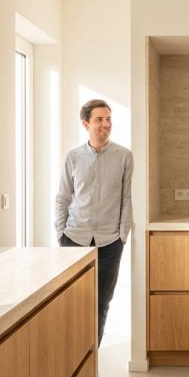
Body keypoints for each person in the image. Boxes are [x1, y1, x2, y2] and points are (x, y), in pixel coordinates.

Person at [55, 99, 133, 347]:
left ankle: (92, 359)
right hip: (74, 239)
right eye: (99, 119)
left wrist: (122, 236)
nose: (106, 124)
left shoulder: (124, 156)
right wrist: (60, 233)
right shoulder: (73, 157)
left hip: (110, 242)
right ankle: (72, 358)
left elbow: (127, 197)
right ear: (86, 123)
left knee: (101, 304)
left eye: (108, 119)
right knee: (74, 302)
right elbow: (63, 197)